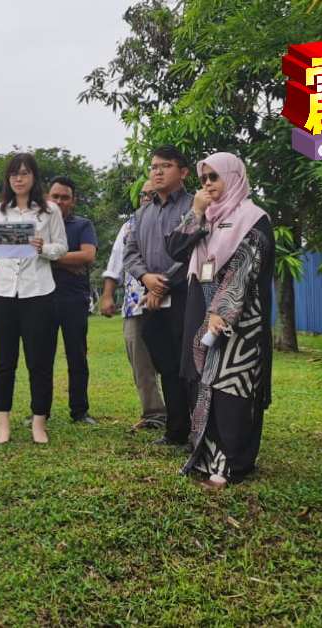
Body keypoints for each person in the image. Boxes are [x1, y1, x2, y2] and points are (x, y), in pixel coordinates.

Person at [167, 152, 275, 489]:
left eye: (214, 177)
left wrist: (221, 309)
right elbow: (176, 250)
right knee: (200, 380)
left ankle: (230, 464)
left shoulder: (253, 218)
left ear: (233, 176)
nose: (209, 185)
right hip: (200, 305)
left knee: (232, 384)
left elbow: (245, 266)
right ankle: (206, 455)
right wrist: (196, 212)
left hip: (239, 317)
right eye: (204, 179)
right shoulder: (207, 218)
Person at [0, 153, 67, 444]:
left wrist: (43, 247)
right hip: (2, 291)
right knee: (3, 360)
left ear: (34, 177)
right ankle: (4, 424)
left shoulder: (50, 211)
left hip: (38, 290)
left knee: (39, 360)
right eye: (14, 174)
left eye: (25, 173)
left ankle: (39, 423)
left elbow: (62, 248)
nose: (19, 178)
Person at [123, 145, 195, 447]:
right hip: (151, 301)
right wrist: (146, 278)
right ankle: (176, 431)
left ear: (183, 172)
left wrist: (162, 283)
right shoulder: (142, 213)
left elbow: (195, 251)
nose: (157, 171)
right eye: (153, 167)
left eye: (165, 165)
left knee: (190, 365)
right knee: (165, 364)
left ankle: (200, 428)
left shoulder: (195, 207)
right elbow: (131, 253)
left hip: (185, 298)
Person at [98, 180, 168, 431]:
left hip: (169, 302)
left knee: (172, 361)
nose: (147, 198)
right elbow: (116, 263)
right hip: (134, 305)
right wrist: (107, 296)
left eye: (152, 194)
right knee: (140, 361)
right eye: (143, 195)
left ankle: (183, 413)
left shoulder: (172, 220)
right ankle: (154, 414)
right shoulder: (128, 227)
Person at [45, 175, 98, 425]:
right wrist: (68, 260)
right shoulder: (39, 225)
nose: (59, 201)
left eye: (64, 197)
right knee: (41, 357)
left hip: (74, 299)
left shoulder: (82, 225)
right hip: (42, 298)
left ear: (73, 201)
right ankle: (40, 411)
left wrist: (50, 257)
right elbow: (26, 253)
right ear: (47, 197)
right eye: (55, 196)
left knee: (77, 355)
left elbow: (88, 255)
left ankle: (79, 411)